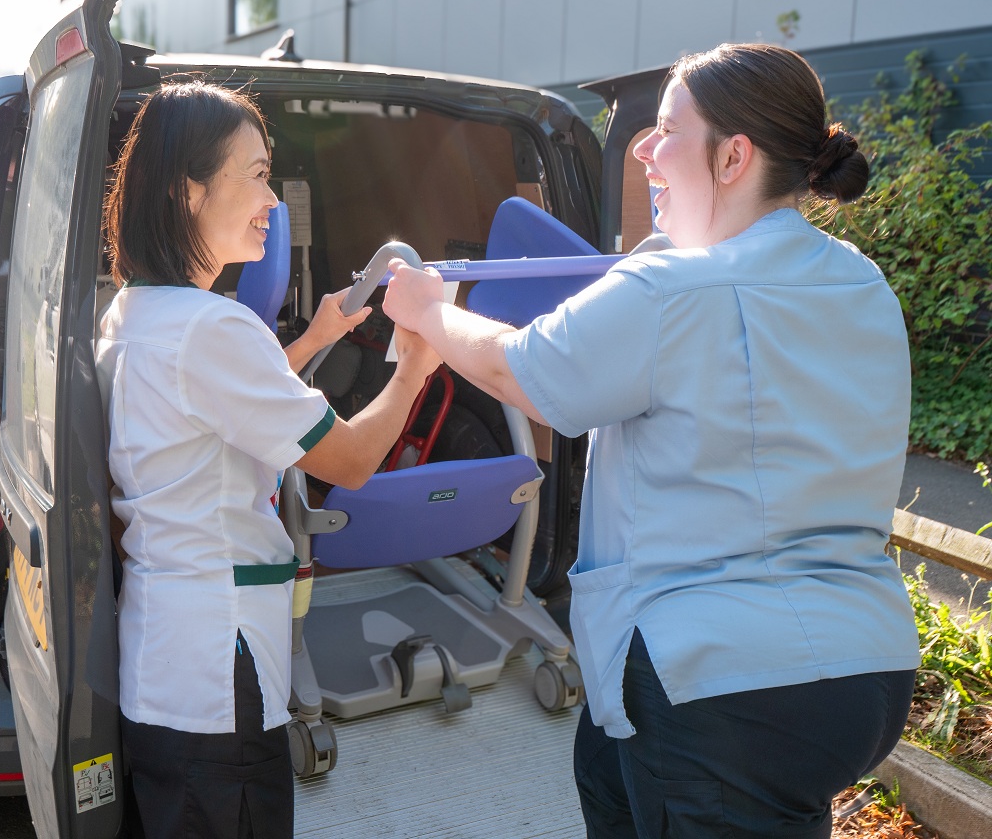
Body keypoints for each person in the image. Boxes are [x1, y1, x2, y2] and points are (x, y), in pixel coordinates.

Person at [383, 43, 920, 839]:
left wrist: (429, 311)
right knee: (606, 773)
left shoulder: (670, 289)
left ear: (733, 157)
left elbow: (518, 369)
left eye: (666, 130)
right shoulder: (859, 279)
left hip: (723, 681)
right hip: (861, 671)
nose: (642, 149)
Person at [94, 80, 441, 839]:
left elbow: (211, 411)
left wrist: (314, 339)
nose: (273, 200)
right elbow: (351, 460)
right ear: (189, 190)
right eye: (256, 175)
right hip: (221, 672)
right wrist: (416, 365)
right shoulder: (213, 328)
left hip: (164, 663)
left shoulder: (136, 312)